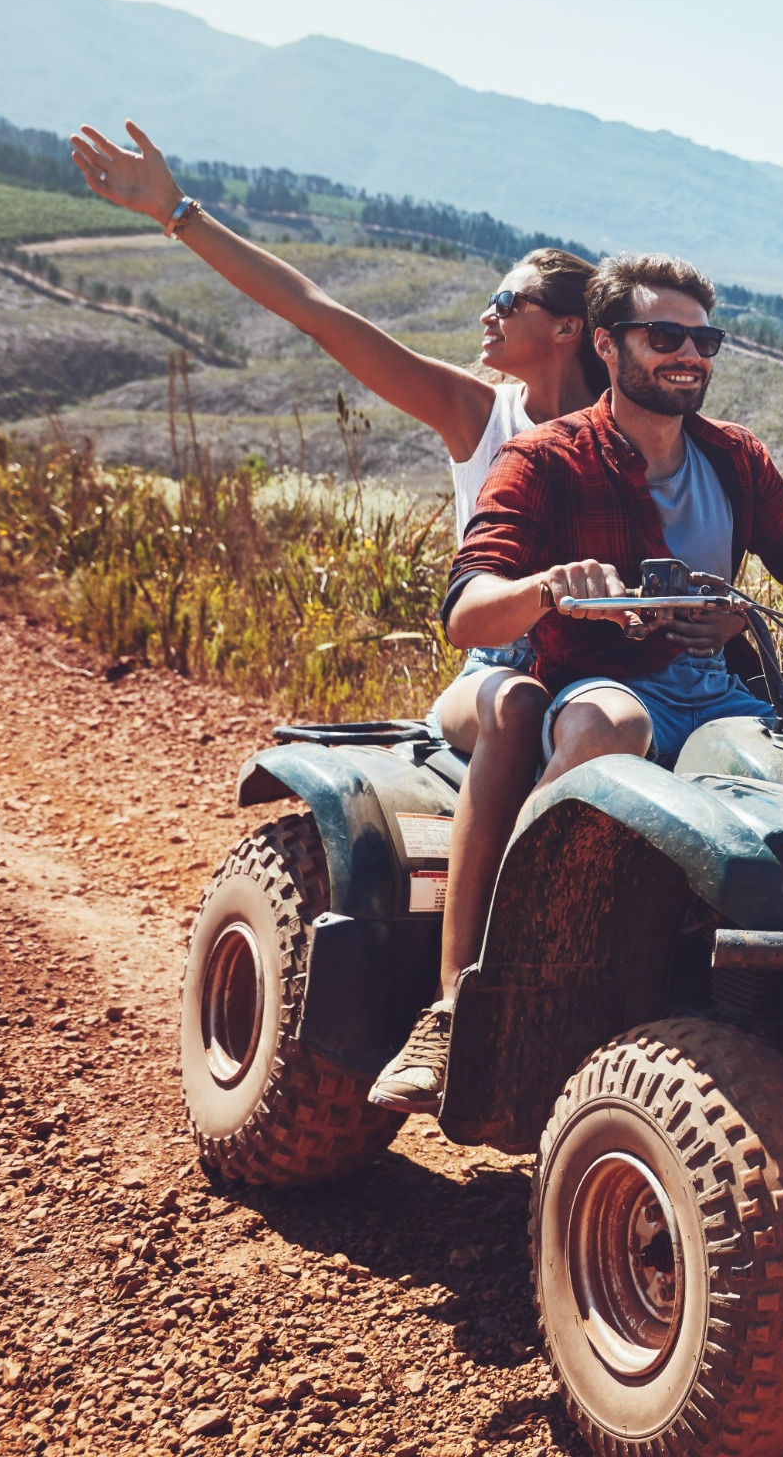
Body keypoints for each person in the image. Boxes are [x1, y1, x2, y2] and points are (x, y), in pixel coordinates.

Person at [368, 252, 783, 1112]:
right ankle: (492, 977)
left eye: (704, 339)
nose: (691, 355)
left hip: (719, 694)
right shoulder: (544, 459)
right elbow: (468, 609)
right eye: (666, 335)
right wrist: (547, 588)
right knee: (605, 727)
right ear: (607, 345)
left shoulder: (734, 458)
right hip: (603, 682)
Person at [63, 120, 600, 1031]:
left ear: (566, 330)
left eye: (506, 300)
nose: (487, 313)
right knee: (514, 703)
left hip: (601, 671)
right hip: (497, 669)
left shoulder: (626, 429)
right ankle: (465, 995)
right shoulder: (477, 413)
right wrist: (176, 214)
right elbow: (319, 313)